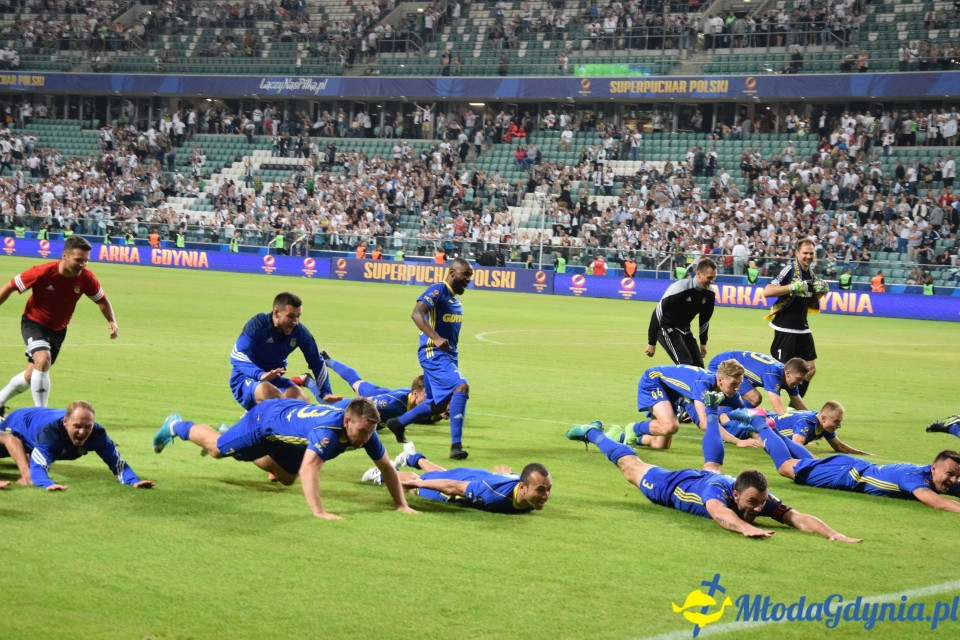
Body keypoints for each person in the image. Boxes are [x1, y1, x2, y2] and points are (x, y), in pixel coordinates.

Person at [564, 422, 861, 541]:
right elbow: (720, 515)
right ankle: (593, 432)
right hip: (672, 485)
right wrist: (746, 529)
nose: (758, 509)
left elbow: (796, 517)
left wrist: (832, 533)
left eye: (760, 502)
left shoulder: (761, 500)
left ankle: (714, 410)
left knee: (712, 465)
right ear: (736, 494)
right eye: (752, 503)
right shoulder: (716, 493)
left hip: (709, 475)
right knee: (631, 466)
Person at [152, 397, 418, 520]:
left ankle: (229, 433)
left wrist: (401, 505)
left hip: (288, 428)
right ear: (347, 421)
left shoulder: (366, 431)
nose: (366, 438)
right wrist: (320, 512)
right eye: (362, 431)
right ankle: (176, 426)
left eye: (370, 431)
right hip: (265, 421)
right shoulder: (326, 433)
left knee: (287, 478)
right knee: (217, 449)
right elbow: (310, 469)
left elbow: (387, 467)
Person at [743, 415, 960, 513]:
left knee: (809, 462)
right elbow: (938, 504)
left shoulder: (938, 477)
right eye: (950, 474)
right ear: (933, 467)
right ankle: (760, 422)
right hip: (846, 474)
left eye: (956, 477)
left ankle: (774, 430)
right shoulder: (912, 478)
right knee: (786, 467)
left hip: (851, 466)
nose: (953, 480)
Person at [0, 236, 119, 411]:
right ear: (65, 256)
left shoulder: (86, 278)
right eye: (78, 260)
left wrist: (111, 321)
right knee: (43, 360)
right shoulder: (41, 272)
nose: (82, 265)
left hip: (59, 329)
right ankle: (41, 415)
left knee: (32, 374)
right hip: (34, 322)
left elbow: (102, 300)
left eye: (86, 261)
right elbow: (10, 286)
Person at [611, 359, 757, 463]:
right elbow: (707, 425)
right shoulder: (703, 385)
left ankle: (625, 437)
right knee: (670, 426)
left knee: (660, 445)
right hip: (654, 381)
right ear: (720, 380)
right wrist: (737, 441)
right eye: (733, 384)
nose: (737, 388)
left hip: (678, 393)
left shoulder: (732, 393)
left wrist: (761, 439)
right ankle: (634, 429)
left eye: (739, 384)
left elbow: (747, 418)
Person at [402, 258, 474, 459]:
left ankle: (397, 424)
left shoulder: (454, 298)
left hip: (448, 355)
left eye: (470, 275)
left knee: (437, 405)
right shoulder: (438, 290)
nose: (468, 279)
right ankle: (456, 446)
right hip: (434, 353)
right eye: (465, 274)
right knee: (462, 386)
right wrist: (435, 337)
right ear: (452, 272)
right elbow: (417, 314)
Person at [361, 441, 552, 514]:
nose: (546, 495)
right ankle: (383, 475)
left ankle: (411, 456)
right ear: (524, 487)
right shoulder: (493, 494)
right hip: (465, 487)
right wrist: (420, 482)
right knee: (416, 485)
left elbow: (516, 477)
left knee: (443, 473)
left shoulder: (527, 486)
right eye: (541, 490)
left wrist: (502, 476)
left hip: (481, 477)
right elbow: (453, 487)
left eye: (548, 489)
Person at [0, 401, 154, 490]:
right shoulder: (50, 432)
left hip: (38, 426)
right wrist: (46, 483)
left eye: (88, 427)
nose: (82, 432)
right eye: (78, 426)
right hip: (18, 423)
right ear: (65, 422)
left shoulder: (97, 434)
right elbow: (39, 464)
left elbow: (117, 462)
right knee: (14, 444)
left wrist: (133, 481)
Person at [229, 292, 338, 411]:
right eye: (291, 316)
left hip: (274, 379)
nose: (295, 322)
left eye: (298, 316)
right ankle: (253, 420)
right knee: (270, 394)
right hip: (245, 377)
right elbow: (237, 354)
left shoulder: (300, 332)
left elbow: (316, 361)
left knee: (302, 403)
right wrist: (260, 374)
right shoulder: (258, 324)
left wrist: (325, 392)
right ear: (276, 313)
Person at [763, 239, 828, 397]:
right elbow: (768, 291)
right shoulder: (789, 269)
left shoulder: (811, 275)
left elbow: (807, 299)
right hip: (785, 327)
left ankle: (793, 409)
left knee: (810, 369)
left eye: (811, 253)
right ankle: (774, 408)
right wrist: (791, 287)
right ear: (797, 253)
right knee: (780, 372)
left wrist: (821, 291)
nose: (808, 256)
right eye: (804, 253)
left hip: (802, 327)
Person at [322, 352, 434, 441]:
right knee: (330, 404)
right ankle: (321, 365)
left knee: (356, 381)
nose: (431, 398)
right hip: (375, 396)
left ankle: (326, 360)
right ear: (415, 393)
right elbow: (364, 403)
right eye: (427, 395)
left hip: (385, 393)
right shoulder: (392, 404)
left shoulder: (422, 404)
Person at [646, 257, 717, 367]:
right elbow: (658, 312)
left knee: (699, 367)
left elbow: (705, 320)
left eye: (713, 278)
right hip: (666, 328)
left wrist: (703, 343)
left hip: (685, 329)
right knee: (685, 364)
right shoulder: (680, 288)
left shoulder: (710, 293)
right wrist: (652, 342)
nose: (711, 281)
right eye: (709, 278)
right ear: (698, 274)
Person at [707, 350, 808, 415]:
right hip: (721, 365)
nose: (801, 383)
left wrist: (817, 425)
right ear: (788, 373)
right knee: (754, 398)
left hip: (734, 366)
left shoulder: (789, 376)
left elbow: (800, 405)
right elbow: (780, 411)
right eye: (799, 378)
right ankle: (722, 416)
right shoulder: (774, 374)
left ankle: (726, 416)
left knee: (754, 398)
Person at [762, 401, 873, 455]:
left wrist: (866, 454)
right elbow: (796, 445)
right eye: (836, 422)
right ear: (823, 418)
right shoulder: (807, 423)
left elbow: (840, 447)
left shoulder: (823, 424)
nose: (839, 426)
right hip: (760, 424)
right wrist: (815, 459)